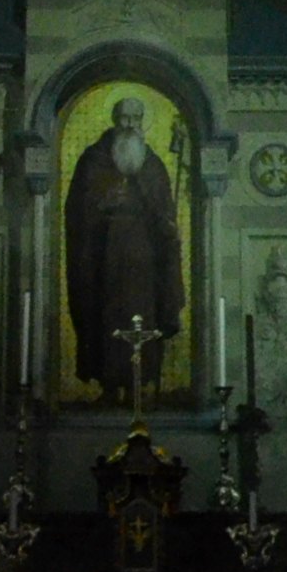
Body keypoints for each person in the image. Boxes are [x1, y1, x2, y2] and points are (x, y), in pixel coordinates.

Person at [64, 95, 185, 398]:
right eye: (124, 118)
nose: (130, 125)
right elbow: (75, 211)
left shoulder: (152, 164)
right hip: (102, 257)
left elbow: (164, 211)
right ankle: (108, 386)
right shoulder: (94, 159)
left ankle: (137, 386)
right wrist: (102, 203)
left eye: (135, 118)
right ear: (114, 120)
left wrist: (166, 225)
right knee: (105, 318)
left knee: (143, 317)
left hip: (144, 262)